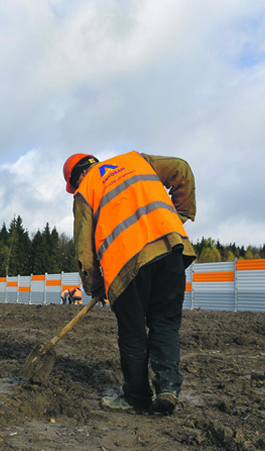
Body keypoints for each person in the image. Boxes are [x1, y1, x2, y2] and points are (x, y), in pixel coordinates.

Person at [62, 151, 196, 415]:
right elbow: (181, 168)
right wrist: (181, 212)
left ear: (76, 179)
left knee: (133, 333)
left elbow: (84, 248)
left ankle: (136, 397)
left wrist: (93, 284)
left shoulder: (85, 190)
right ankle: (168, 389)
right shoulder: (137, 160)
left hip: (125, 264)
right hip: (169, 248)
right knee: (165, 324)